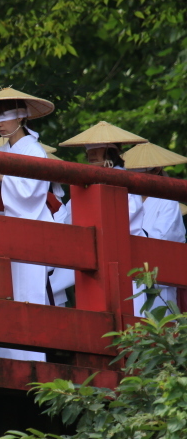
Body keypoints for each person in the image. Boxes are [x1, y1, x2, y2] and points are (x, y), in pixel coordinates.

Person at [0, 88, 55, 361]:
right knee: (6, 292)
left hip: (28, 227)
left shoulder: (33, 150)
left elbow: (30, 192)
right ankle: (7, 354)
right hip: (5, 228)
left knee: (27, 291)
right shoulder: (3, 150)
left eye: (4, 115)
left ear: (21, 116)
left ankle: (30, 356)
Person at [59, 121, 149, 315]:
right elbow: (68, 218)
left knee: (130, 309)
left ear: (110, 151)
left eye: (97, 148)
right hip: (92, 253)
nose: (91, 153)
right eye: (89, 149)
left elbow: (129, 213)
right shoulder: (86, 181)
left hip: (123, 254)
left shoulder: (125, 179)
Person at [122, 142, 187, 310]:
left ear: (156, 170)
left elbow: (162, 238)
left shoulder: (167, 201)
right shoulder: (127, 199)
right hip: (128, 271)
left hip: (158, 277)